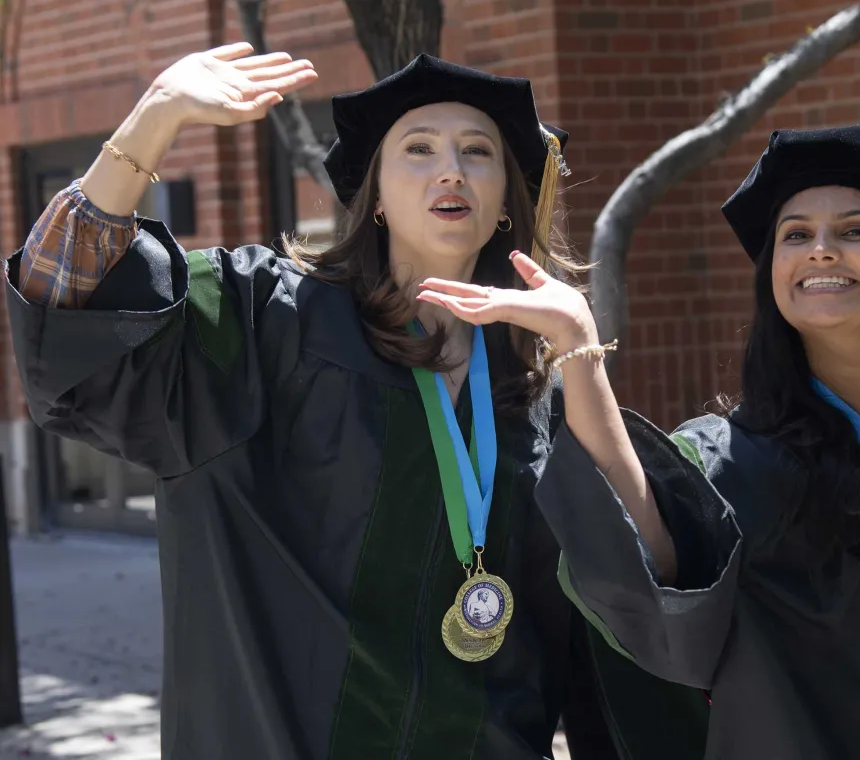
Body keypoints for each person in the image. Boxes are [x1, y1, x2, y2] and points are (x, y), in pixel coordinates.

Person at [6, 44, 709, 760]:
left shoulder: (537, 384)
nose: (450, 168)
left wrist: (584, 356)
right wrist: (152, 119)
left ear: (504, 200)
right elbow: (67, 308)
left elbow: (651, 583)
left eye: (477, 151)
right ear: (374, 194)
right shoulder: (268, 322)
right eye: (419, 147)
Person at [417, 124, 860, 759]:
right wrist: (580, 349)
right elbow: (650, 574)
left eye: (856, 229)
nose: (820, 250)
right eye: (795, 234)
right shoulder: (735, 459)